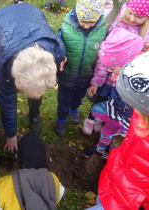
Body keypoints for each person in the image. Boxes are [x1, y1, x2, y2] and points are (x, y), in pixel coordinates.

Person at [86, 38, 149, 210]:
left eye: (138, 107)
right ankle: (100, 152)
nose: (135, 111)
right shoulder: (146, 115)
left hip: (133, 202)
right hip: (117, 181)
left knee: (108, 129)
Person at [0, 3, 65, 152]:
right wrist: (11, 134)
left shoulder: (53, 49)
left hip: (31, 14)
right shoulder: (5, 63)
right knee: (4, 86)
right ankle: (4, 115)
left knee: (36, 85)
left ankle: (34, 115)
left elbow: (60, 48)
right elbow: (6, 98)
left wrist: (62, 57)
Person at [82, 0, 149, 134]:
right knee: (100, 99)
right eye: (130, 13)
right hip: (107, 79)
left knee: (114, 103)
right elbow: (105, 57)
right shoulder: (118, 27)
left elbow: (148, 59)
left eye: (139, 17)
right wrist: (97, 81)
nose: (132, 19)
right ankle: (92, 118)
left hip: (125, 82)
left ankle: (104, 119)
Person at [82, 28, 144, 158]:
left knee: (107, 130)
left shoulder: (138, 81)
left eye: (112, 68)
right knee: (95, 110)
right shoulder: (125, 69)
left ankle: (101, 149)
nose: (110, 71)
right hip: (116, 105)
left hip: (126, 117)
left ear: (126, 62)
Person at [55, 0, 108, 136]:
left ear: (99, 16)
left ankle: (74, 109)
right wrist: (61, 56)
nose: (86, 25)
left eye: (91, 22)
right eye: (83, 21)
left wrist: (96, 79)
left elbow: (102, 56)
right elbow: (58, 44)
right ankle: (61, 118)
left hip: (85, 75)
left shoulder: (103, 30)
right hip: (66, 73)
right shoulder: (67, 26)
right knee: (63, 100)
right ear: (77, 13)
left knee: (78, 97)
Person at [0, 132, 65, 210]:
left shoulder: (1, 186)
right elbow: (59, 194)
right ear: (43, 158)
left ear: (20, 160)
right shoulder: (54, 180)